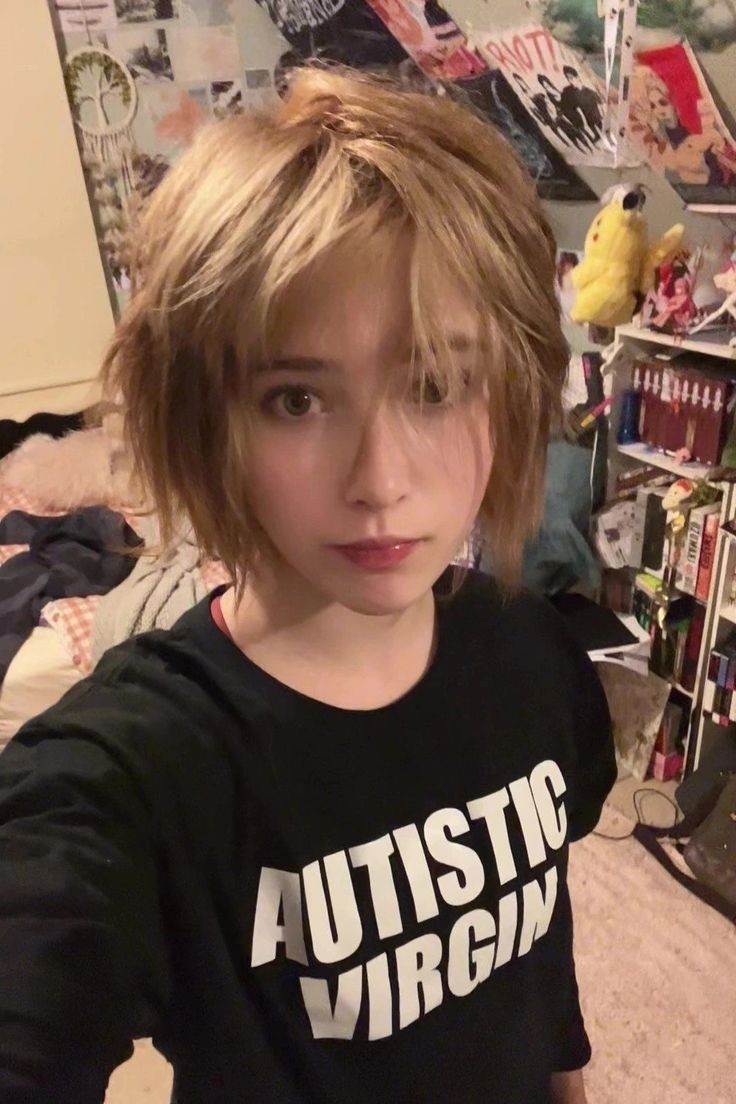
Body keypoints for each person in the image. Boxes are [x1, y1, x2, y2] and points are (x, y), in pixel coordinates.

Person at [0, 67, 615, 1104]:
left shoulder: (530, 652)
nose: (379, 481)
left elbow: (532, 944)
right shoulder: (133, 773)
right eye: (295, 399)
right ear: (208, 420)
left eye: (434, 385)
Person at [558, 65, 603, 144]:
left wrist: (602, 110)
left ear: (577, 77)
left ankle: (604, 135)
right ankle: (597, 135)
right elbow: (571, 104)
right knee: (591, 124)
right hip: (586, 113)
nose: (570, 80)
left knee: (599, 123)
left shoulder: (588, 90)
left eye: (572, 78)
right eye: (568, 78)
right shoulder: (572, 92)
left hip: (594, 112)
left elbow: (599, 101)